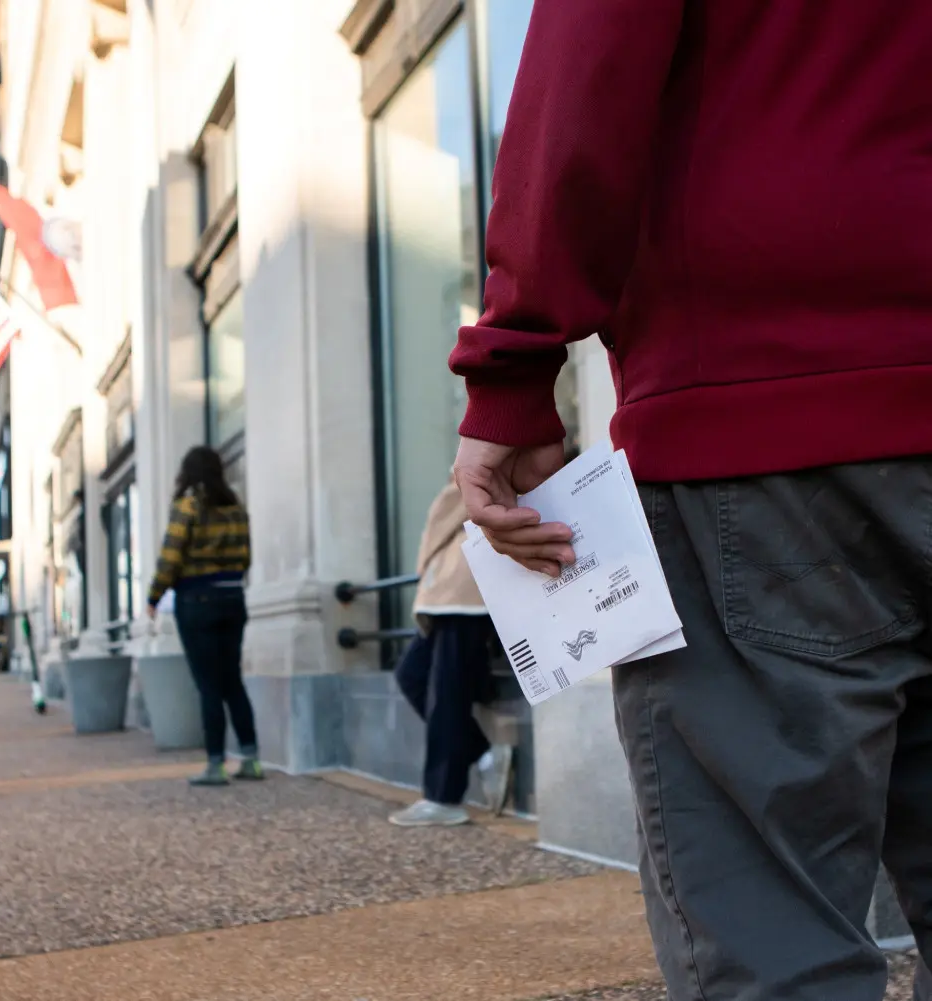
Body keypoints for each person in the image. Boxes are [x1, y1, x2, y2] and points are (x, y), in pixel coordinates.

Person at [449, 3, 932, 998]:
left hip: (769, 419)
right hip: (792, 412)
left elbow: (589, 64)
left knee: (774, 927)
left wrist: (515, 362)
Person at [389, 474, 511, 828]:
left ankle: (443, 797)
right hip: (455, 586)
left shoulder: (481, 458)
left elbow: (447, 511)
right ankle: (485, 755)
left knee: (447, 692)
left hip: (470, 581)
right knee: (412, 675)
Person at [147, 446, 263, 787]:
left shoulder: (188, 506)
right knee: (232, 681)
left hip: (197, 599)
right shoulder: (236, 508)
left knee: (208, 685)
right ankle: (252, 759)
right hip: (232, 596)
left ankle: (215, 764)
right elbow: (246, 558)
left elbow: (171, 555)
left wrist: (154, 595)